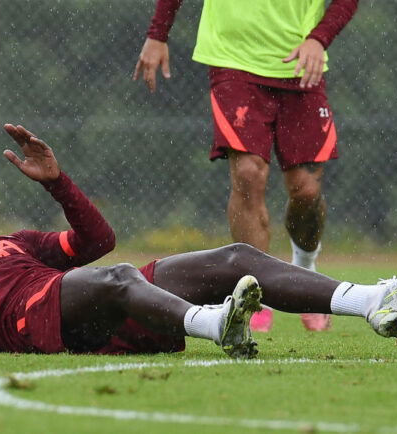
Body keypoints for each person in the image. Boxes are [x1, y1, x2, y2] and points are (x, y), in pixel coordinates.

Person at [0, 122, 397, 358]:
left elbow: (96, 240)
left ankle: (374, 301)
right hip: (41, 325)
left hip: (91, 300)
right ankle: (215, 324)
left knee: (236, 257)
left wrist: (60, 184)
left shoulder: (9, 243)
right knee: (122, 276)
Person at [133, 0, 359, 332]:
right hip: (233, 62)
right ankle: (256, 294)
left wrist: (318, 39)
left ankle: (306, 274)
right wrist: (157, 35)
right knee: (248, 174)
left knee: (306, 190)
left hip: (300, 65)